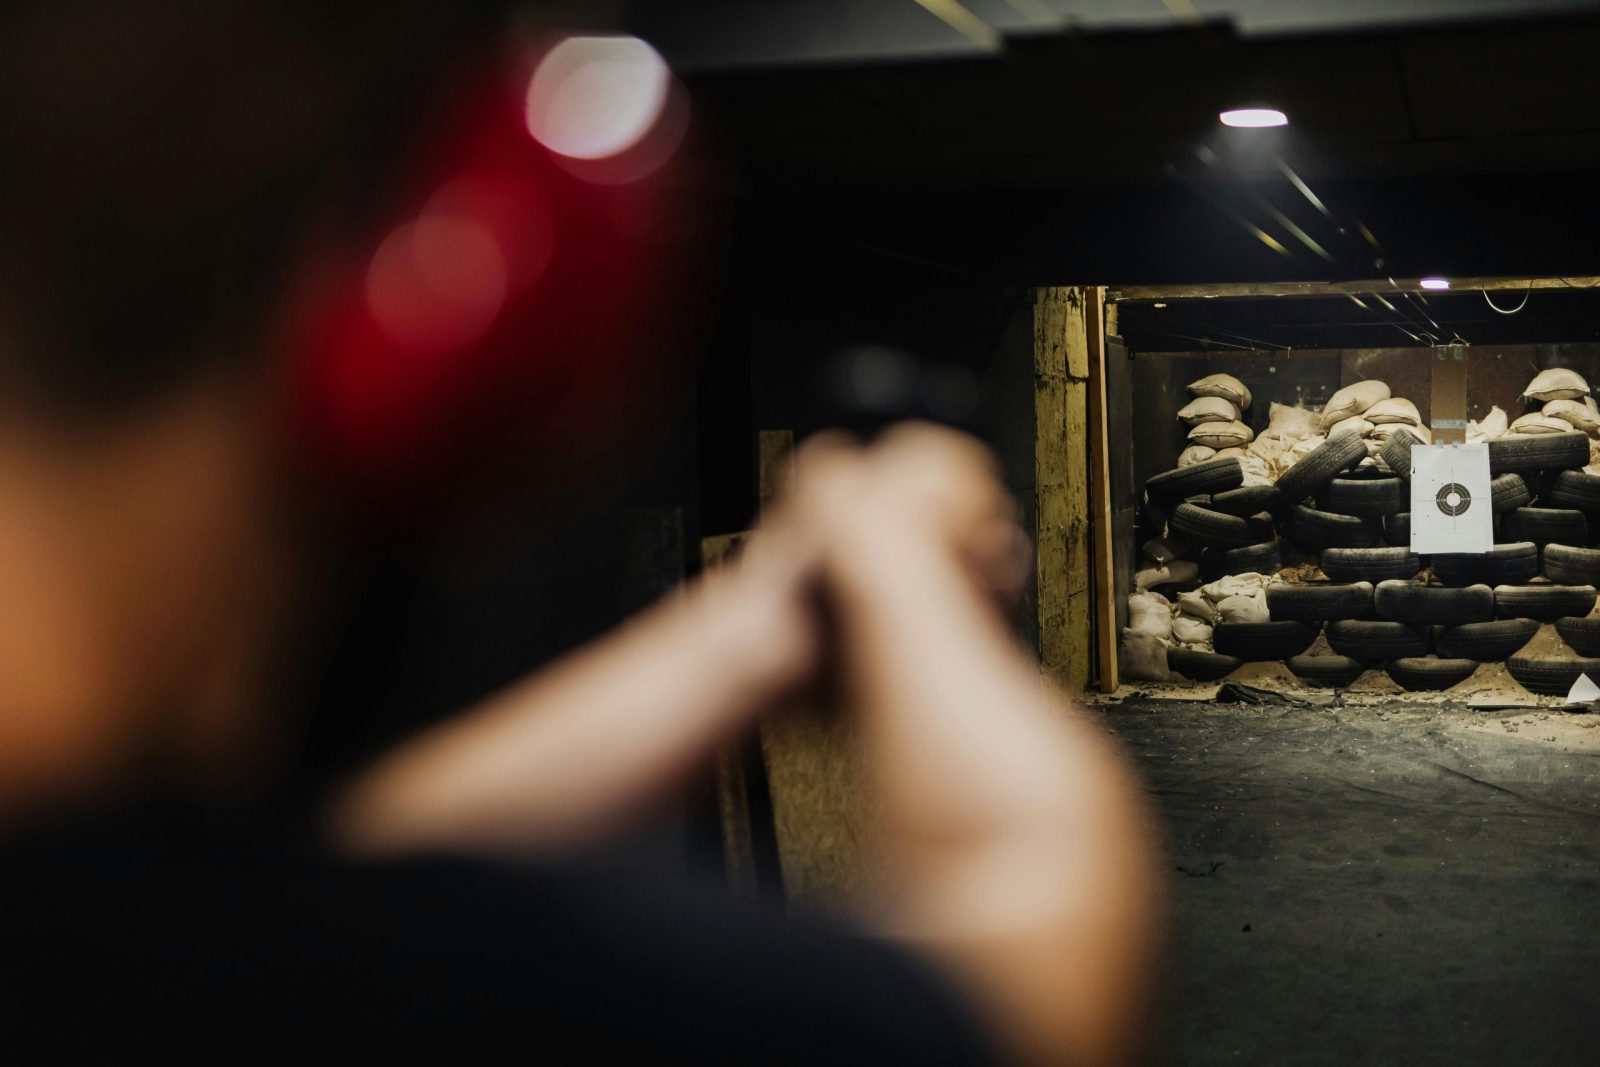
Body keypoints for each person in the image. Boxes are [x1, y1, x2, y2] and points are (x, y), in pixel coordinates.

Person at [0, 3, 1161, 1062]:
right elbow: (1030, 929)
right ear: (459, 334)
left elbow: (325, 866)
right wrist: (900, 566)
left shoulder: (131, 950)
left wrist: (754, 619)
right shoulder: (498, 1002)